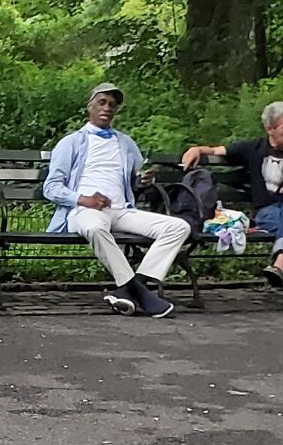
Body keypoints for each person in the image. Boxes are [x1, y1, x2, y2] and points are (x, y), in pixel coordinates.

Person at [43, 82, 187, 318]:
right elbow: (50, 188)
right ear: (89, 107)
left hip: (121, 210)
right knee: (95, 226)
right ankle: (140, 293)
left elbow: (133, 183)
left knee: (178, 227)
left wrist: (143, 181)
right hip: (84, 211)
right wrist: (83, 199)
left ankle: (130, 287)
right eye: (102, 102)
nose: (107, 108)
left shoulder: (126, 144)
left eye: (112, 105)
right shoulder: (71, 143)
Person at [183, 100, 283, 314]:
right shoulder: (253, 149)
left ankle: (281, 263)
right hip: (268, 215)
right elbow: (216, 150)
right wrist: (196, 149)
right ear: (270, 129)